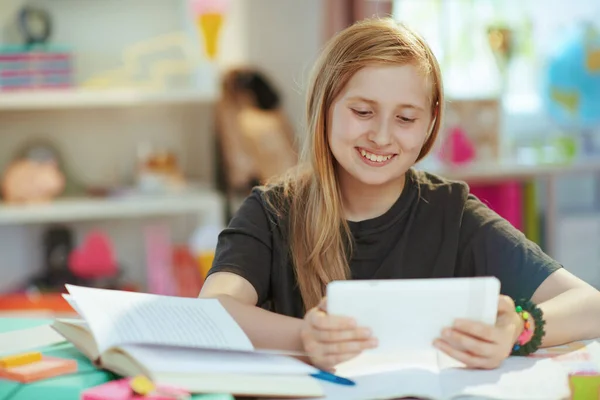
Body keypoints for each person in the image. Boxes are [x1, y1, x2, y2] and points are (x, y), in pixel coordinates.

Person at [200, 18, 600, 372]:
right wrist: (305, 337)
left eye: (406, 118)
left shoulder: (454, 215)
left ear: (429, 123)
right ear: (325, 107)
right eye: (362, 112)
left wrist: (516, 327)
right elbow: (213, 311)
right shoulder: (271, 213)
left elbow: (589, 304)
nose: (382, 135)